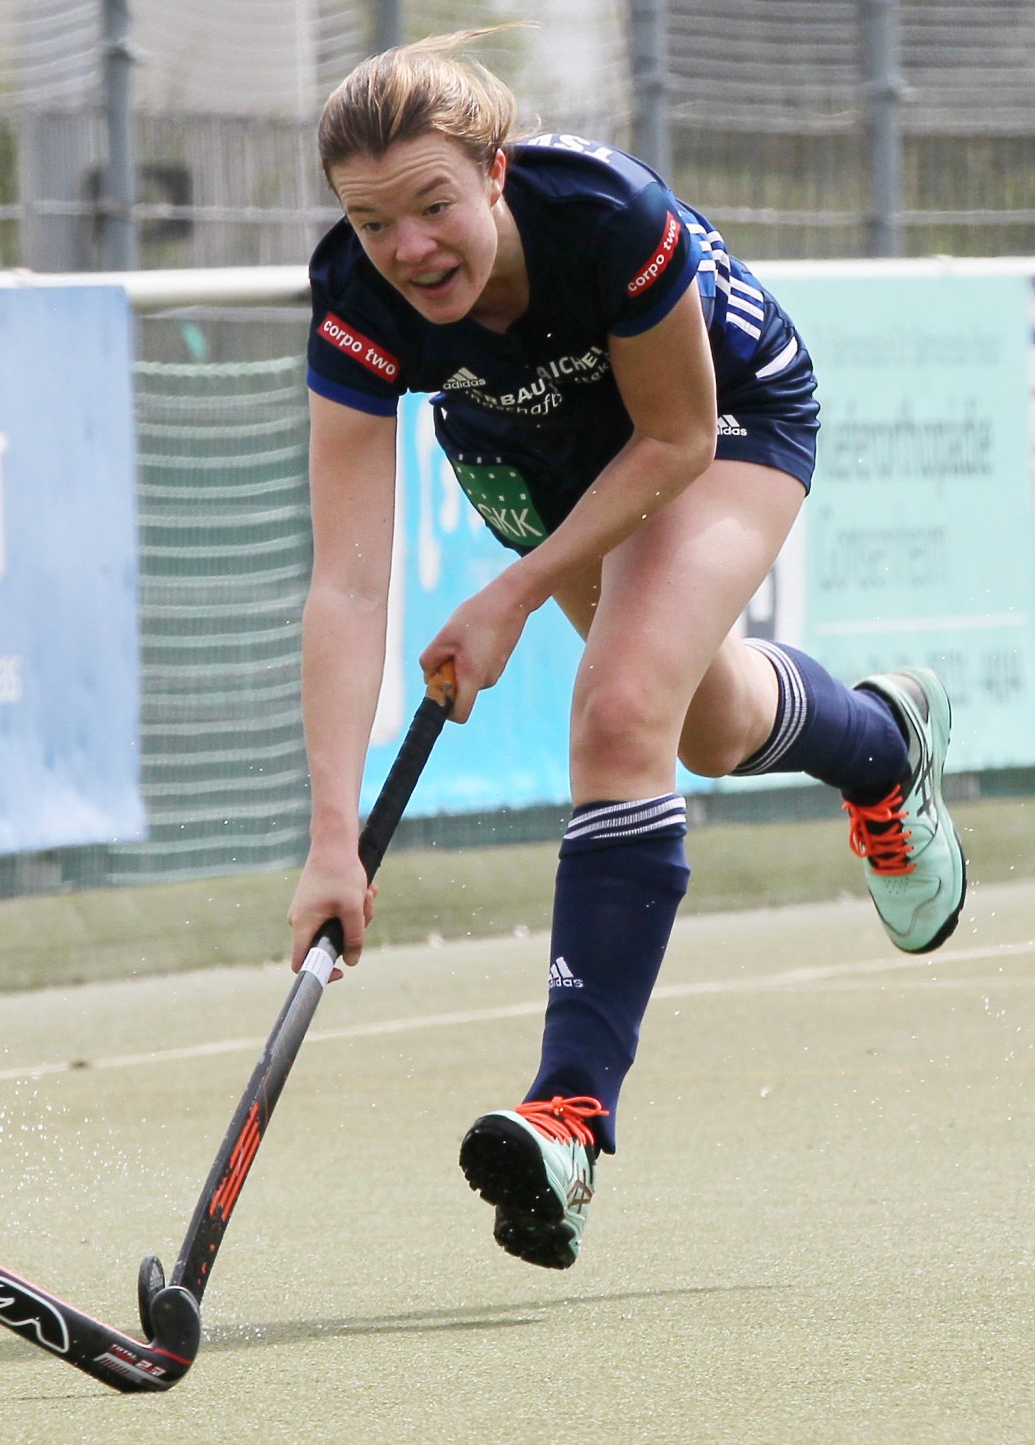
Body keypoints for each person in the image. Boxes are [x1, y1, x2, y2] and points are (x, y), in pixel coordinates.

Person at [288, 32, 965, 1273]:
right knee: (695, 725)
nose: (410, 248)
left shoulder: (607, 215)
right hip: (540, 456)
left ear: (495, 173)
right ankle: (882, 744)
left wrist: (510, 594)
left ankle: (570, 1115)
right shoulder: (358, 297)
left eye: (434, 204)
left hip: (719, 415)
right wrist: (334, 837)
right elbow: (346, 578)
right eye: (376, 221)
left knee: (613, 713)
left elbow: (675, 436)